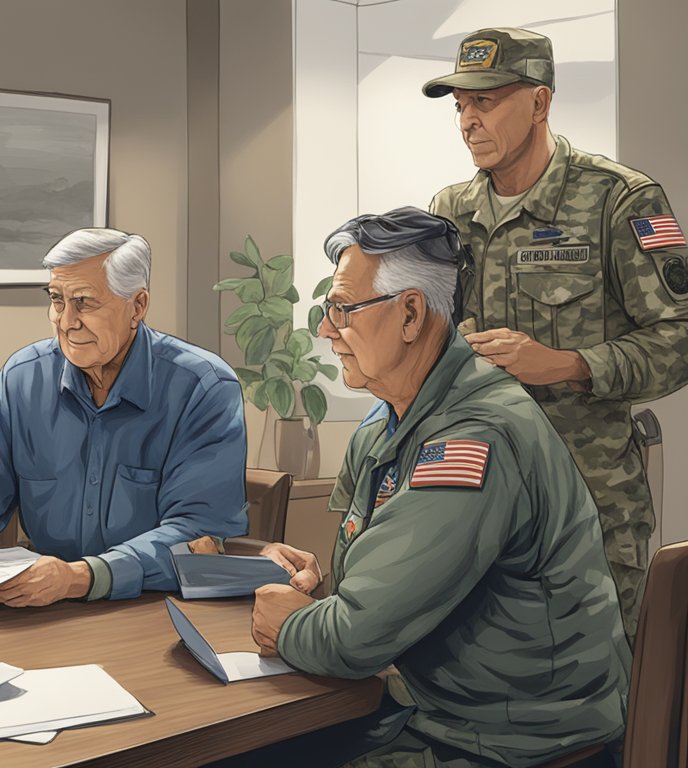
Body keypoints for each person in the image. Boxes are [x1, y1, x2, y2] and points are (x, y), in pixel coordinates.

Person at [238, 208, 628, 768]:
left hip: (517, 743)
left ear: (411, 314)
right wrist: (317, 583)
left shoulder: (474, 439)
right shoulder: (386, 423)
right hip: (435, 712)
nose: (326, 331)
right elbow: (368, 591)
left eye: (344, 310)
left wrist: (292, 623)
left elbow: (354, 638)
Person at [424, 27, 688, 641]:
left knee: (603, 693)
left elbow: (679, 337)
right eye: (460, 104)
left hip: (590, 497)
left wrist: (568, 364)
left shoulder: (619, 200)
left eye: (485, 101)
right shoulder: (449, 210)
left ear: (540, 103)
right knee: (488, 686)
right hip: (478, 495)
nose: (467, 120)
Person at [0, 228, 248, 605]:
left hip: (158, 609)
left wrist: (82, 577)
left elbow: (197, 535)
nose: (66, 321)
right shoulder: (23, 376)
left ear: (137, 306)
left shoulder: (203, 387)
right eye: (57, 300)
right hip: (41, 606)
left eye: (84, 303)